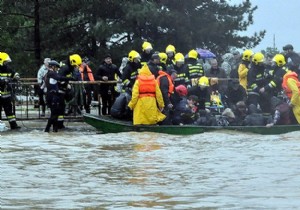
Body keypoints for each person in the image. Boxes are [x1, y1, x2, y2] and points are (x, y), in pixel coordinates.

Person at [44, 60, 71, 132]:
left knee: (56, 114)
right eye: (56, 67)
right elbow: (60, 78)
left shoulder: (49, 74)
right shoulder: (51, 73)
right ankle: (47, 130)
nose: (57, 69)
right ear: (52, 67)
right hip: (52, 96)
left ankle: (54, 130)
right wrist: (71, 78)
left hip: (53, 95)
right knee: (54, 114)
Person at [57, 53, 82, 128]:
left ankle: (60, 124)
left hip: (62, 89)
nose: (75, 67)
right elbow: (59, 78)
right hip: (58, 90)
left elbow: (73, 77)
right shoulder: (65, 67)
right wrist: (67, 82)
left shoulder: (68, 66)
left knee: (62, 108)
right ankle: (58, 125)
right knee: (60, 109)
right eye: (75, 66)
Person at [0, 52, 21, 129]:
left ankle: (13, 125)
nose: (6, 63)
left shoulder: (7, 68)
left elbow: (13, 73)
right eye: (5, 62)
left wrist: (17, 76)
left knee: (9, 110)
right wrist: (4, 81)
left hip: (6, 94)